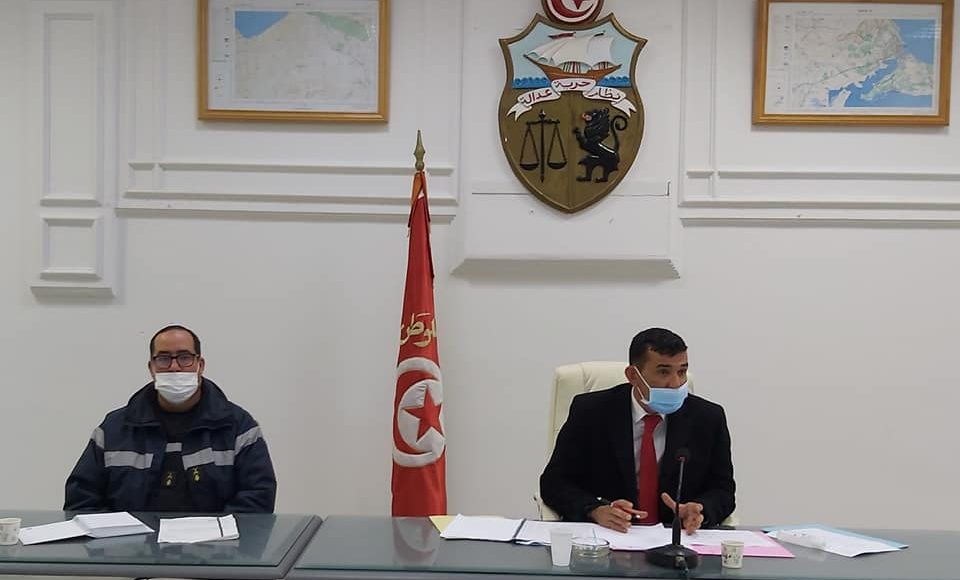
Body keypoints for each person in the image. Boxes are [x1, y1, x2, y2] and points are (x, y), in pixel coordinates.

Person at [540, 327, 734, 533]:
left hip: (676, 538)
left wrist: (701, 510)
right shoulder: (591, 412)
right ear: (633, 375)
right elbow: (554, 483)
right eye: (664, 372)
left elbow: (723, 491)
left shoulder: (707, 418)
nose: (675, 383)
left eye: (682, 371)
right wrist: (595, 509)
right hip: (610, 536)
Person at [64, 325, 277, 512]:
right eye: (164, 358)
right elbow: (81, 501)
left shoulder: (238, 427)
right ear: (151, 367)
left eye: (184, 357)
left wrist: (215, 536)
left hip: (216, 545)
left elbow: (258, 499)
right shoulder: (113, 429)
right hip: (131, 544)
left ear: (200, 365)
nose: (174, 367)